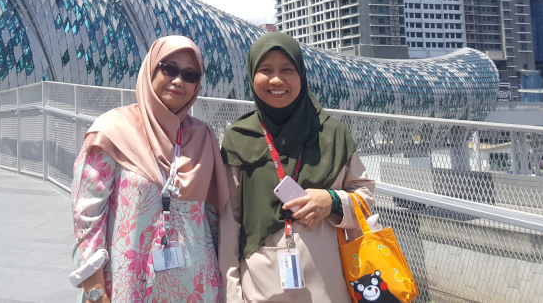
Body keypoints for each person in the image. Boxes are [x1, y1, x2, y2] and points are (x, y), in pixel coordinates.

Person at [70, 36, 230, 302]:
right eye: (169, 68)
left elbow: (214, 220)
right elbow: (86, 218)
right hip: (127, 284)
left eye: (190, 75)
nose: (178, 80)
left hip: (196, 287)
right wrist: (95, 291)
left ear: (196, 86)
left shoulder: (204, 137)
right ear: (151, 69)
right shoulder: (111, 130)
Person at [220, 32, 375, 302]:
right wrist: (232, 294)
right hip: (261, 289)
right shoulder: (239, 137)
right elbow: (229, 225)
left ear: (301, 75)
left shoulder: (332, 133)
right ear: (251, 75)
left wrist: (332, 201)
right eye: (265, 70)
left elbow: (366, 197)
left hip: (331, 287)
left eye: (287, 70)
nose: (277, 80)